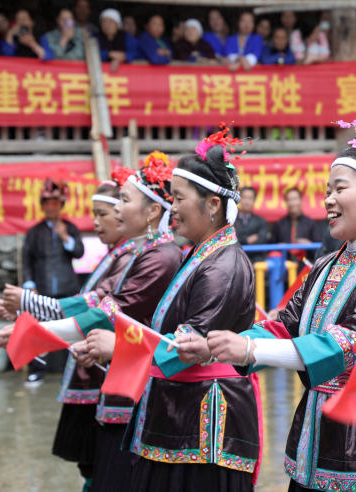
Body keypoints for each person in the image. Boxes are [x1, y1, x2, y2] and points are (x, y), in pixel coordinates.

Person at [205, 120, 356, 491]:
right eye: (327, 190)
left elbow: (349, 343)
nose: (328, 199)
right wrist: (217, 345)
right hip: (320, 431)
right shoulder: (327, 264)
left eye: (340, 189)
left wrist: (251, 348)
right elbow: (284, 326)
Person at [0, 153, 183, 491]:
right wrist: (32, 318)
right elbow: (100, 304)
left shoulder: (161, 255)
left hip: (136, 381)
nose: (117, 209)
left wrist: (33, 326)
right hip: (116, 372)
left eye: (123, 201)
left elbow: (109, 313)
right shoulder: (143, 251)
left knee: (114, 473)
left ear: (153, 211)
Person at [120, 130, 261, 491]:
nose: (173, 208)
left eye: (180, 198)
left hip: (203, 425)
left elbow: (189, 344)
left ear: (212, 205)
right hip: (181, 414)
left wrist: (121, 349)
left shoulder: (223, 265)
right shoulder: (202, 255)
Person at [0, 181, 132, 492]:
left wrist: (29, 314)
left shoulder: (140, 257)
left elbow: (99, 308)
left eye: (106, 214)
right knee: (94, 460)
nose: (96, 222)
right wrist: (28, 305)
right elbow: (93, 304)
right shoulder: (118, 255)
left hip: (112, 368)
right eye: (95, 214)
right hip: (53, 297)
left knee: (109, 461)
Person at [21, 178, 85, 385]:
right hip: (43, 287)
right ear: (42, 206)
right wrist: (30, 285)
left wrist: (65, 237)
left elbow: (79, 252)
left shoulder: (70, 228)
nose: (51, 207)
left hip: (68, 287)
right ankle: (37, 370)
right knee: (37, 330)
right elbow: (26, 260)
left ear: (61, 205)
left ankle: (73, 371)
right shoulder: (34, 232)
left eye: (55, 203)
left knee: (72, 329)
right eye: (47, 203)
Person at [272, 188, 319, 261]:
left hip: (306, 264)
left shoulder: (311, 223)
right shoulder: (279, 224)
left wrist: (309, 245)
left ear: (301, 201)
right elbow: (270, 247)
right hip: (285, 264)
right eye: (289, 199)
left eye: (294, 199)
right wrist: (278, 247)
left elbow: (321, 249)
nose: (292, 203)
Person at [234, 186, 269, 261]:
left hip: (257, 259)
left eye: (250, 198)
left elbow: (262, 240)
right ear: (239, 199)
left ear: (254, 201)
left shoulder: (261, 221)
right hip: (236, 258)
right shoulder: (232, 221)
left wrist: (241, 240)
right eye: (244, 197)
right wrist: (247, 240)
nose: (247, 201)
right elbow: (232, 240)